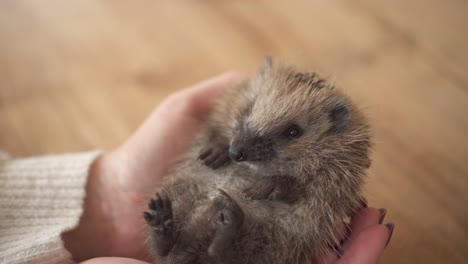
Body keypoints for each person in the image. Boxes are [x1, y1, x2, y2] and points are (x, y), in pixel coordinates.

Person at [0, 72, 394, 264]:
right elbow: (221, 138)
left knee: (267, 240)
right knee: (182, 201)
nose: (242, 146)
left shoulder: (334, 160)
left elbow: (307, 204)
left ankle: (215, 239)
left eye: (290, 131)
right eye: (248, 117)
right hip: (206, 207)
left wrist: (281, 185)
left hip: (258, 230)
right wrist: (221, 144)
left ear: (336, 125)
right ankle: (177, 237)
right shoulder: (232, 128)